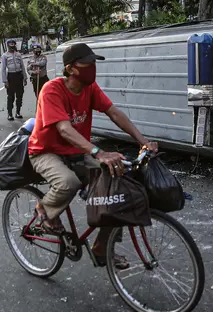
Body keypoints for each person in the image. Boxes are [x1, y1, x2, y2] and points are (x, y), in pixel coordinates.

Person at [28, 42, 158, 269]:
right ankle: (44, 209)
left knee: (116, 190)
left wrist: (143, 141)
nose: (92, 68)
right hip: (46, 152)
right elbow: (64, 129)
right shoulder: (51, 90)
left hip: (77, 151)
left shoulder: (90, 88)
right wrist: (99, 152)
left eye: (93, 63)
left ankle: (101, 247)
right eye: (87, 64)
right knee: (68, 182)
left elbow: (114, 113)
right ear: (70, 68)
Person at [2, 39, 26, 120]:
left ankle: (18, 112)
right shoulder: (5, 56)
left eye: (13, 44)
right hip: (11, 77)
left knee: (20, 95)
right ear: (7, 45)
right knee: (10, 96)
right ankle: (10, 114)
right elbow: (3, 69)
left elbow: (22, 66)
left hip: (19, 76)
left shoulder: (18, 54)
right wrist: (5, 81)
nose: (12, 45)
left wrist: (25, 78)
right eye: (10, 44)